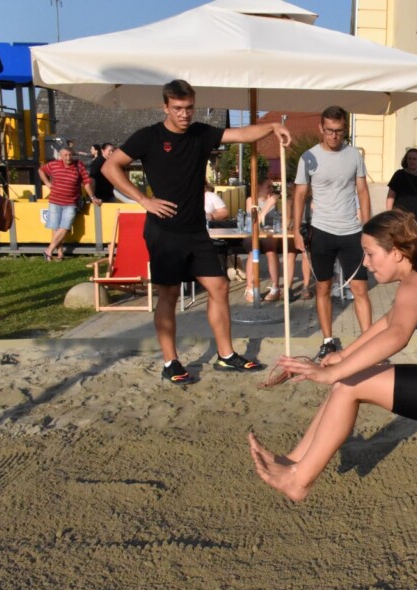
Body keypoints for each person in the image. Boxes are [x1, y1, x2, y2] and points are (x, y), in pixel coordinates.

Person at [248, 210, 417, 502]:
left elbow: (397, 335)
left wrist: (332, 373)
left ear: (397, 252)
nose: (365, 262)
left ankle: (299, 481)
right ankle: (293, 462)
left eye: (369, 253)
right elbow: (388, 322)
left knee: (348, 384)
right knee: (346, 381)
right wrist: (344, 356)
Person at [102, 79, 292, 385]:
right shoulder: (149, 136)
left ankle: (225, 355)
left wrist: (272, 126)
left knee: (219, 287)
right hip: (163, 231)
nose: (184, 114)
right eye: (178, 108)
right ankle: (170, 362)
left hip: (196, 231)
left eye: (189, 107)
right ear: (165, 107)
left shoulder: (201, 133)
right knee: (168, 294)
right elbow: (110, 167)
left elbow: (241, 134)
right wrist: (144, 200)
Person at [292, 105, 373, 360]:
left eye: (338, 131)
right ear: (321, 128)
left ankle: (369, 341)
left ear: (345, 129)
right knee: (323, 288)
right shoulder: (308, 157)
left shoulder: (354, 156)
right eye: (329, 130)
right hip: (322, 231)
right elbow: (300, 194)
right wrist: (296, 230)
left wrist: (368, 229)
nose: (334, 135)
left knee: (360, 289)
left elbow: (363, 192)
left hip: (351, 232)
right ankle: (328, 340)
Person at [39, 145, 100, 261]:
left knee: (65, 227)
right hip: (55, 201)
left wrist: (92, 196)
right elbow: (41, 170)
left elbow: (86, 181)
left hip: (71, 202)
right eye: (65, 155)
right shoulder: (54, 164)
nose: (68, 157)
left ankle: (49, 250)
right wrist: (47, 182)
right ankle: (60, 253)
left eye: (70, 155)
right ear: (60, 156)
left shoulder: (78, 165)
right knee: (55, 227)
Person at [242, 177, 294, 302]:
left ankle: (275, 287)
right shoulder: (251, 200)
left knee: (271, 249)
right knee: (253, 249)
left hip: (270, 233)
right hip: (254, 232)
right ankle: (249, 287)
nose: (271, 189)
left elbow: (277, 221)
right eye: (268, 186)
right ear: (259, 187)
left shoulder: (273, 200)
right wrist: (268, 205)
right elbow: (255, 222)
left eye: (272, 187)